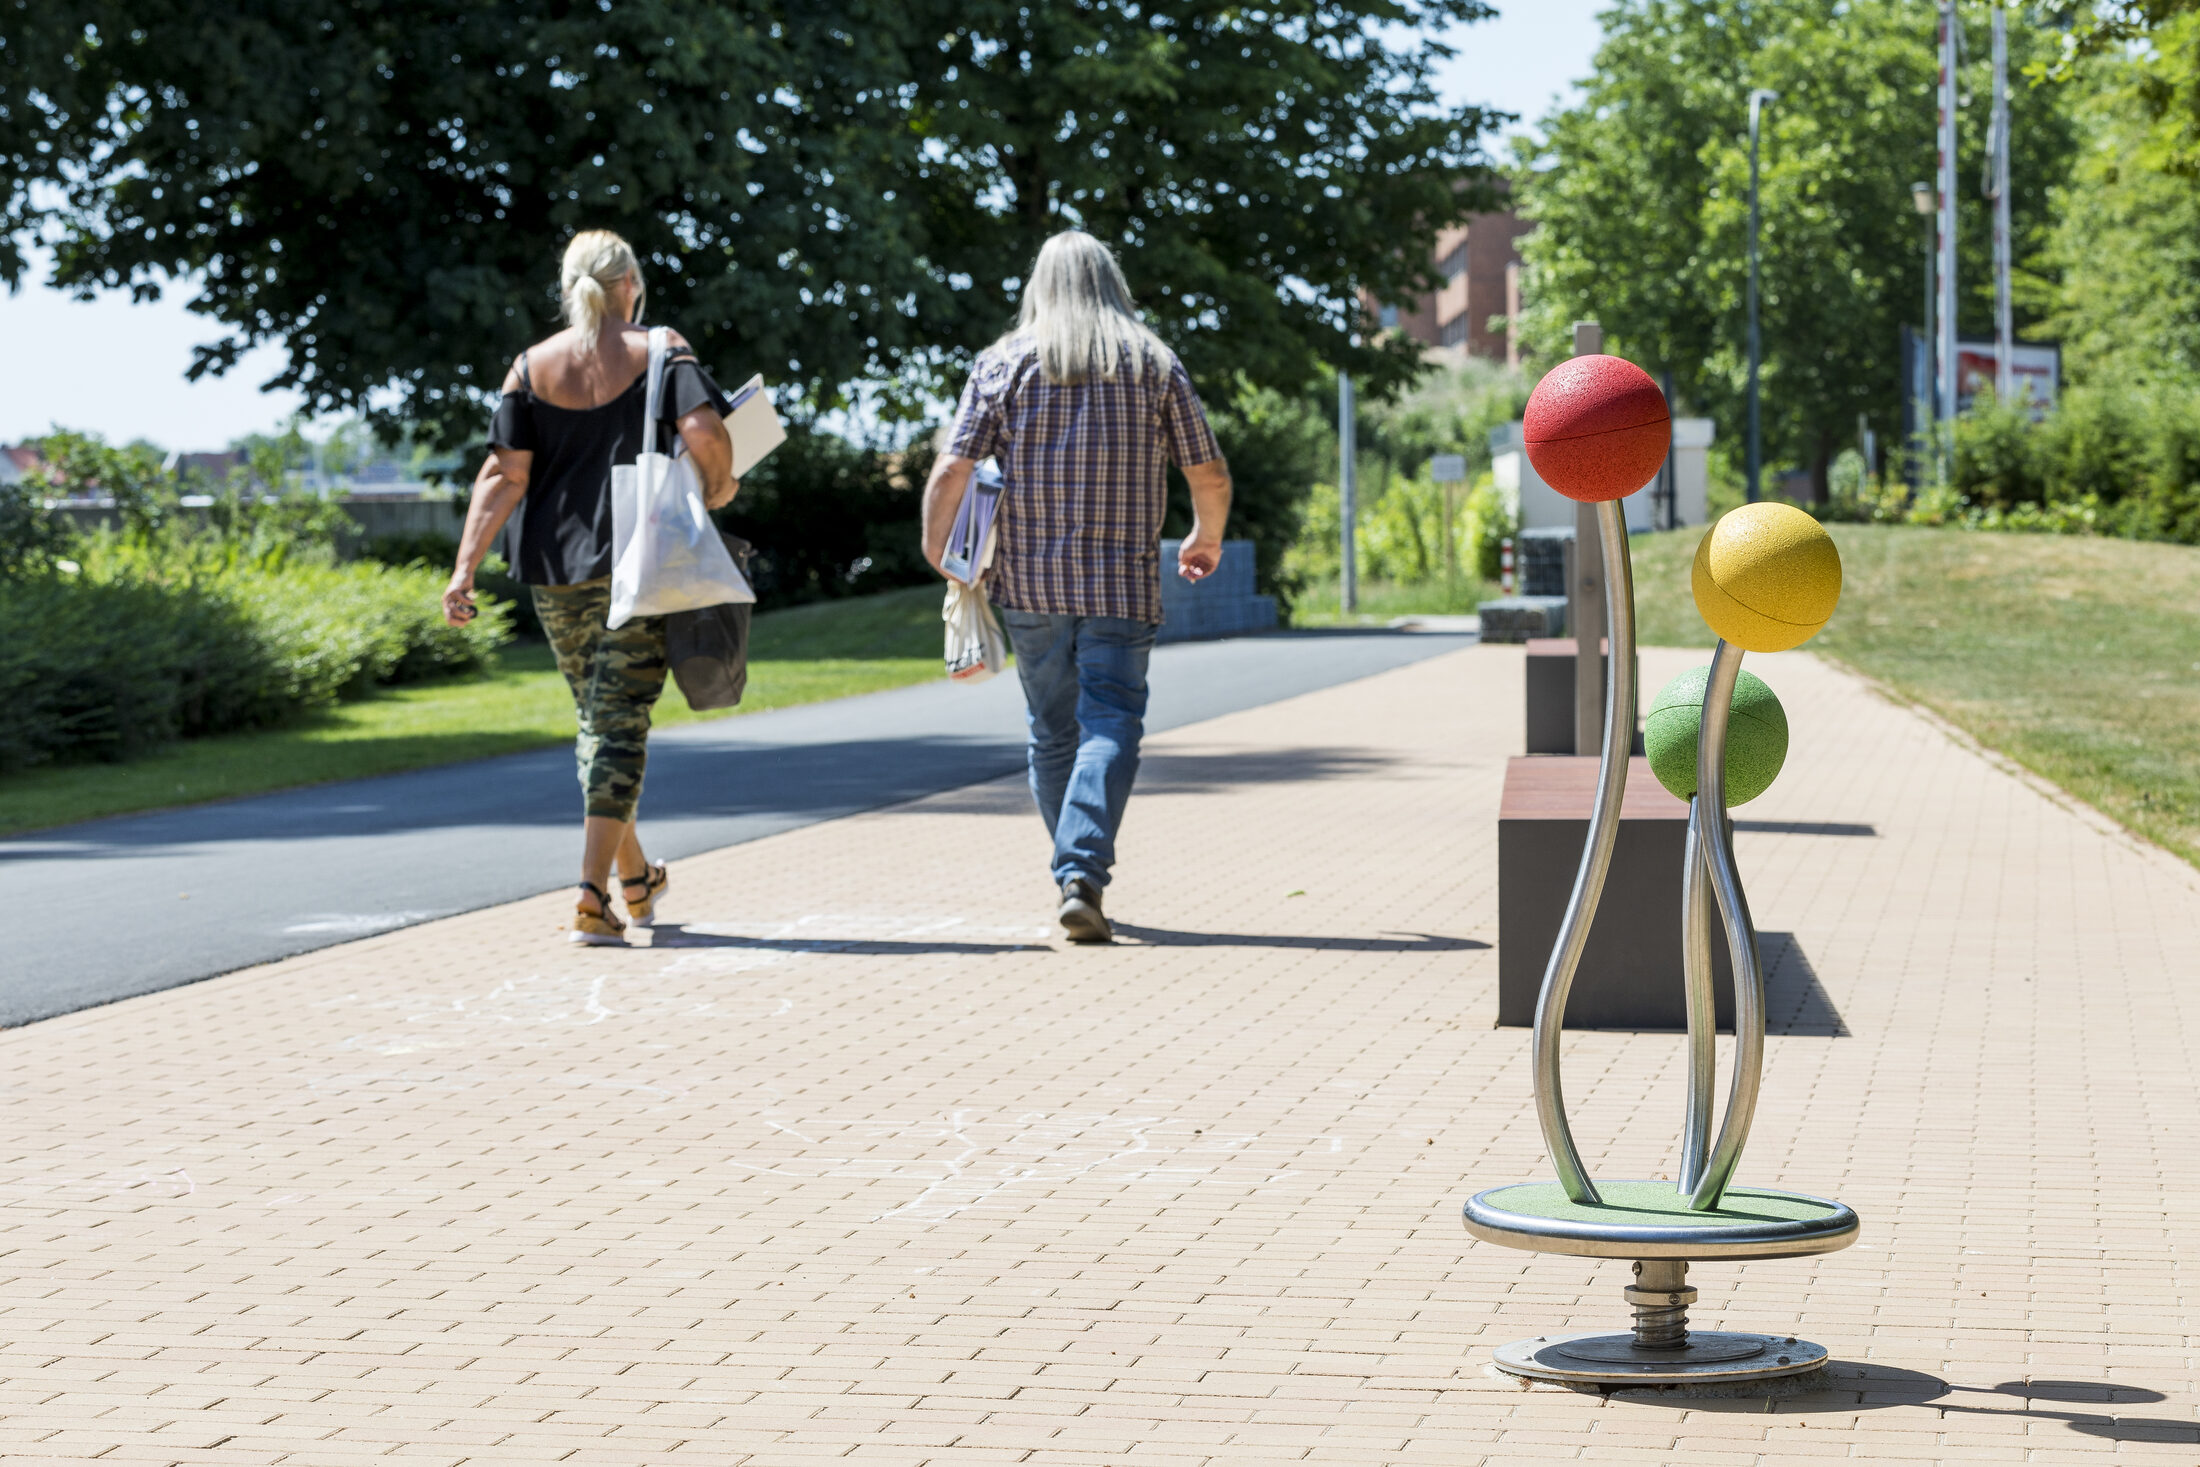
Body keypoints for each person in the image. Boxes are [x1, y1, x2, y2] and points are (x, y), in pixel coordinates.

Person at [921, 230, 1232, 944]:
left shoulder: (1003, 363)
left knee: (1050, 731)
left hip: (1027, 584)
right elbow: (1207, 471)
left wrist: (938, 549)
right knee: (1112, 720)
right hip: (1121, 586)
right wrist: (1204, 534)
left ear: (1039, 285)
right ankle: (1081, 872)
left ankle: (1073, 872)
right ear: (1111, 284)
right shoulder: (1154, 364)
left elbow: (952, 468)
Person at [442, 230, 738, 946]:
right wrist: (722, 482)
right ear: (630, 282)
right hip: (637, 560)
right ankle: (588, 894)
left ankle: (636, 880)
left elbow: (503, 475)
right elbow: (701, 428)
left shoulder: (529, 367)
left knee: (596, 721)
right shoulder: (661, 347)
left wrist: (463, 569)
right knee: (619, 722)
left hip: (554, 571)